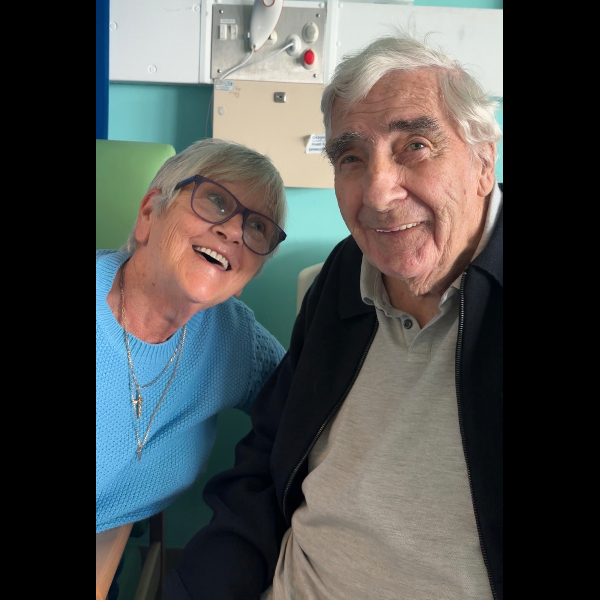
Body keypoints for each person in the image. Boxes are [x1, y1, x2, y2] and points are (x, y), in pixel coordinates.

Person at [164, 31, 503, 600]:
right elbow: (268, 458)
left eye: (415, 145)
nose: (377, 192)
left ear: (483, 163)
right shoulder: (348, 272)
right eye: (351, 157)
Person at [96, 138, 289, 537]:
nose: (234, 231)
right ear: (149, 214)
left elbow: (307, 406)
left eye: (257, 226)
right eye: (216, 200)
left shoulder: (235, 339)